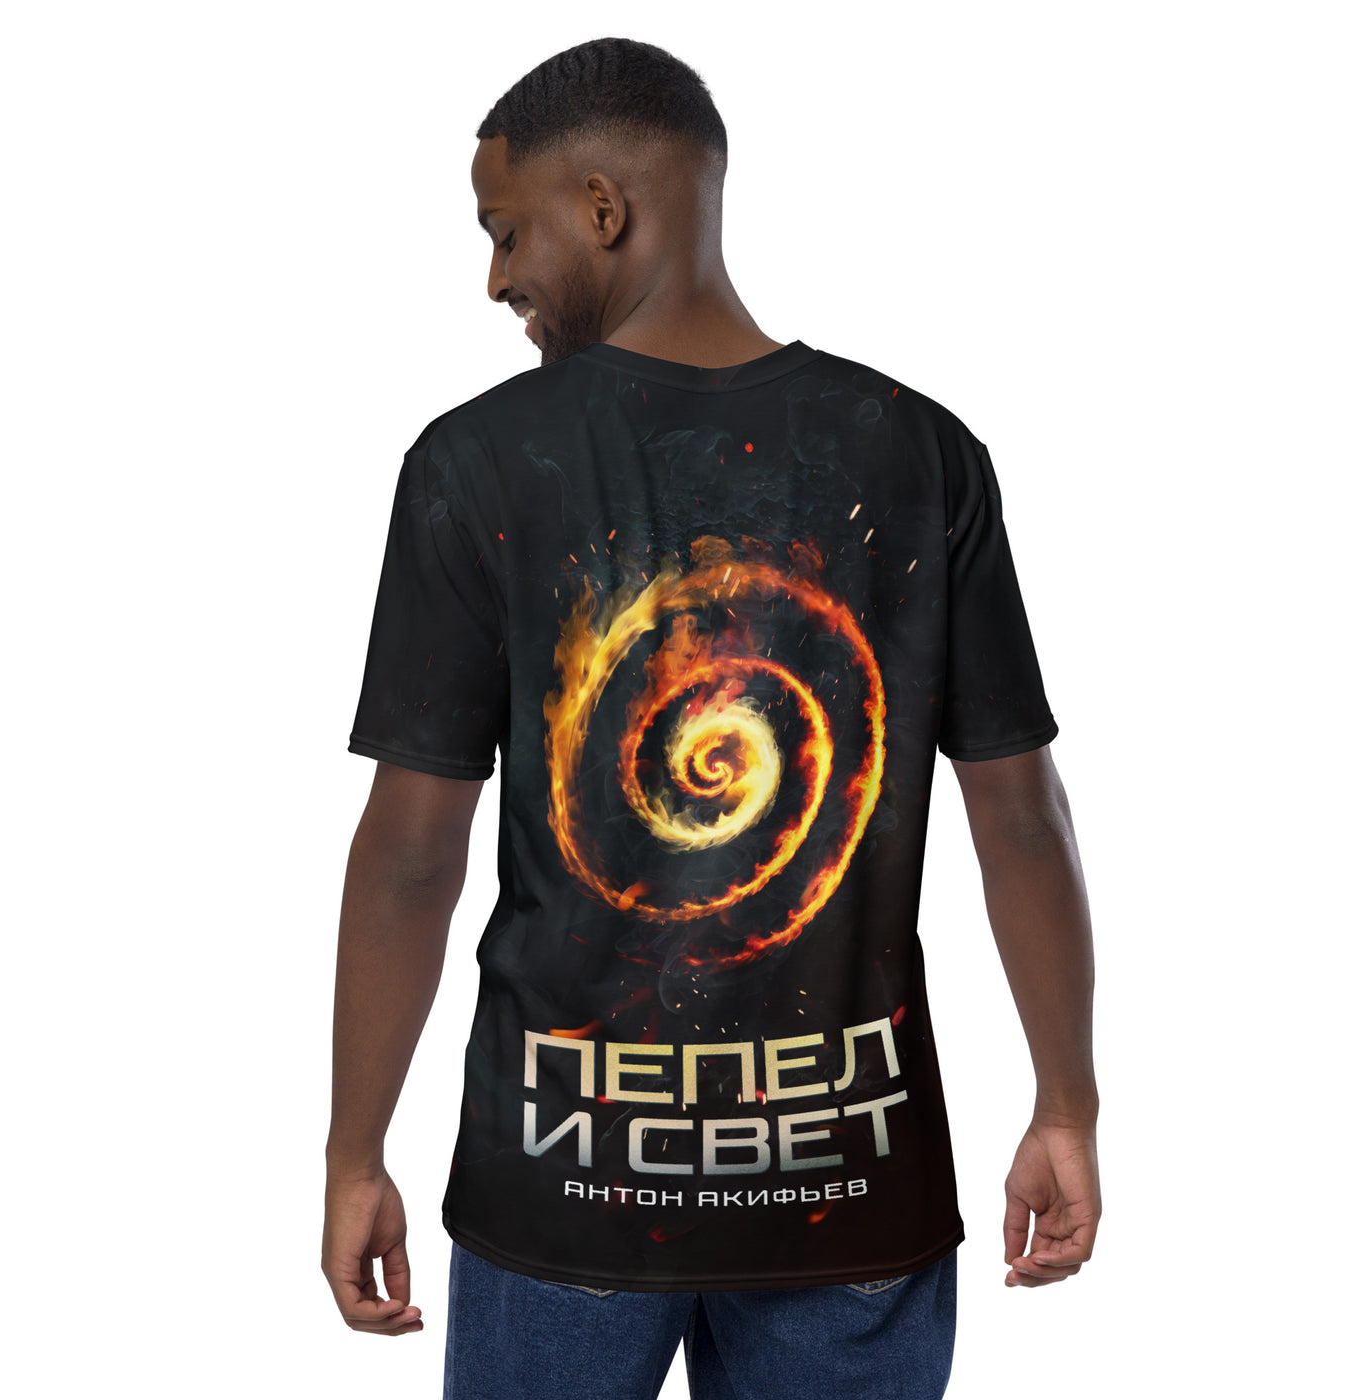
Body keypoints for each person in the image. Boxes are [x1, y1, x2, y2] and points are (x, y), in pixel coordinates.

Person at [322, 36, 1100, 1400]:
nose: (495, 277)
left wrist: (352, 1152)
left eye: (505, 231)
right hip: (849, 1183)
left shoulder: (476, 463)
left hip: (560, 1182)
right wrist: (1067, 1105)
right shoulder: (917, 450)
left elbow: (409, 856)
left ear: (603, 207)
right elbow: (1022, 821)